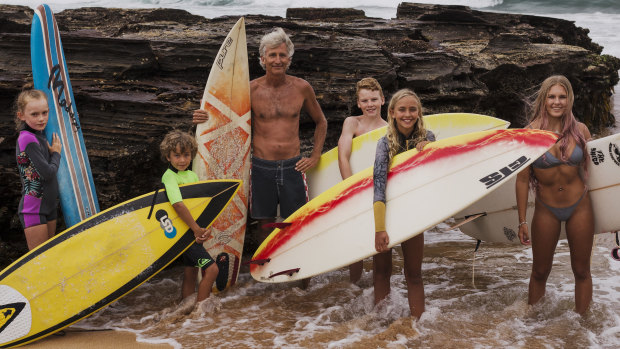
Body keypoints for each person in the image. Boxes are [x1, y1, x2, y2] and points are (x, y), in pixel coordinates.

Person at [193, 27, 328, 245]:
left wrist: (315, 156)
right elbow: (225, 117)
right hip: (261, 167)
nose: (277, 60)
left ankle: (302, 277)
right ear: (263, 59)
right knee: (264, 225)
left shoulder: (302, 88)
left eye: (282, 55)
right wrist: (203, 117)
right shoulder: (250, 90)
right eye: (272, 55)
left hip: (293, 166)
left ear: (289, 59)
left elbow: (321, 121)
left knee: (299, 224)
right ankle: (264, 276)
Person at [515, 75, 594, 314]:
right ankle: (533, 327)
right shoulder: (530, 134)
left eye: (562, 96)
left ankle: (583, 327)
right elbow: (521, 179)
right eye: (552, 97)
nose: (557, 102)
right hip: (546, 208)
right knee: (540, 271)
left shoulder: (581, 131)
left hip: (580, 206)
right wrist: (521, 221)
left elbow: (596, 174)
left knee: (581, 271)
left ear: (569, 99)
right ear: (544, 100)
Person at [372, 89, 435, 319]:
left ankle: (419, 326)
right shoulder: (384, 144)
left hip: (413, 214)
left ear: (418, 112)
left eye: (412, 109)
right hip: (386, 213)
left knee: (414, 274)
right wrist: (379, 228)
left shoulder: (429, 138)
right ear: (392, 112)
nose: (407, 114)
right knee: (381, 272)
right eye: (402, 109)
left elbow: (435, 176)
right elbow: (379, 186)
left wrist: (426, 150)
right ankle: (380, 324)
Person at [338, 77, 387, 283]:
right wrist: (351, 188)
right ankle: (354, 284)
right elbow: (343, 156)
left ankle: (379, 283)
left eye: (374, 99)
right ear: (358, 103)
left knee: (381, 236)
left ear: (383, 100)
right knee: (356, 238)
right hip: (355, 186)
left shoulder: (390, 126)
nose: (370, 105)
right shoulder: (352, 123)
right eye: (365, 101)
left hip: (380, 189)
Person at [160, 130, 219, 302]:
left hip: (192, 231)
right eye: (176, 155)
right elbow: (178, 205)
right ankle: (200, 312)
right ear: (168, 157)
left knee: (191, 270)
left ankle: (186, 311)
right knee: (212, 269)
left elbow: (198, 206)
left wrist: (203, 229)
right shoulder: (169, 176)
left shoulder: (192, 175)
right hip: (183, 233)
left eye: (186, 155)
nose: (182, 160)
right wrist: (196, 230)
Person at [15, 89, 62, 250]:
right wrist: (56, 153)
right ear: (21, 115)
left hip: (49, 207)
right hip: (33, 211)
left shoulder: (40, 135)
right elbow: (48, 173)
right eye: (34, 114)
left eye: (44, 112)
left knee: (50, 258)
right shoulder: (27, 139)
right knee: (40, 264)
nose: (41, 118)